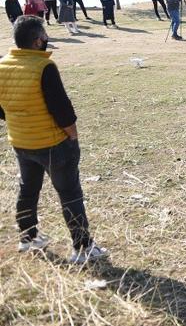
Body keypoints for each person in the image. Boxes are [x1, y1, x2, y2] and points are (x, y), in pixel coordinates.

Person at [0, 16, 108, 263]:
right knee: (70, 193)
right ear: (38, 41)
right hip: (53, 144)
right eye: (45, 36)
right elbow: (62, 109)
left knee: (28, 190)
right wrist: (73, 136)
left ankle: (28, 237)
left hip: (21, 142)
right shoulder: (44, 68)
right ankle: (82, 247)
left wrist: (22, 123)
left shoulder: (2, 65)